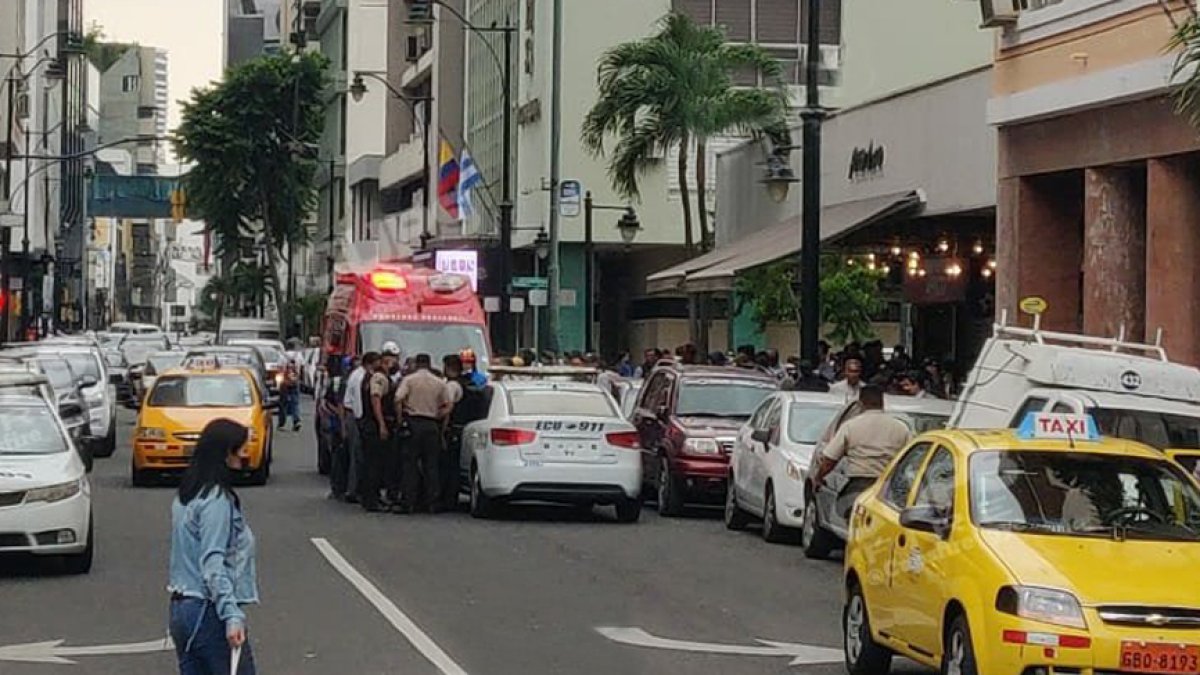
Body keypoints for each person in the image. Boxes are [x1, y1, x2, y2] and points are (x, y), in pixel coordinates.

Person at [168, 419, 259, 675]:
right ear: (225, 454)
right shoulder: (216, 500)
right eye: (240, 451)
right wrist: (231, 614)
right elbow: (212, 563)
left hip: (181, 608)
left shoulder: (187, 495)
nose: (243, 458)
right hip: (208, 610)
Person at [809, 385, 912, 517]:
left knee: (849, 514)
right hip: (889, 488)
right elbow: (911, 458)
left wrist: (818, 478)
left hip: (858, 486)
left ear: (861, 404)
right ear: (882, 403)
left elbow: (829, 460)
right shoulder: (901, 428)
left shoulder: (851, 426)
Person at [395, 353, 451, 513]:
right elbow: (448, 405)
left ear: (417, 364)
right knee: (431, 464)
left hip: (413, 423)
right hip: (431, 424)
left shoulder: (409, 380)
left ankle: (408, 502)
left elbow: (398, 399)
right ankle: (432, 502)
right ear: (429, 364)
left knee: (410, 464)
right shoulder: (439, 382)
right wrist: (439, 418)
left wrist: (400, 419)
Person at [358, 352, 391, 512]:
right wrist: (382, 424)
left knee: (373, 463)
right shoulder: (376, 378)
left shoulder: (368, 378)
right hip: (373, 425)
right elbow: (375, 400)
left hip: (369, 424)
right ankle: (371, 500)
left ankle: (372, 497)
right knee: (374, 464)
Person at [379, 342, 405, 509]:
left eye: (394, 357)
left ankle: (393, 492)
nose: (392, 361)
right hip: (387, 421)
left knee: (394, 461)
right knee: (386, 460)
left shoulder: (400, 376)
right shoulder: (381, 377)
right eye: (389, 357)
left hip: (394, 423)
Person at [341, 355, 366, 504]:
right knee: (357, 454)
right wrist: (360, 418)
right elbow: (357, 401)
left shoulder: (356, 375)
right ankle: (353, 490)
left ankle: (355, 488)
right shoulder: (359, 377)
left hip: (353, 415)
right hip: (355, 417)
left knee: (356, 455)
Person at [277, 354, 301, 431]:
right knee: (295, 403)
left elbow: (279, 369)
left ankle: (281, 424)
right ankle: (296, 421)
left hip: (284, 383)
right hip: (295, 382)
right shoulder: (298, 356)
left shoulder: (282, 356)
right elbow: (300, 368)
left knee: (283, 404)